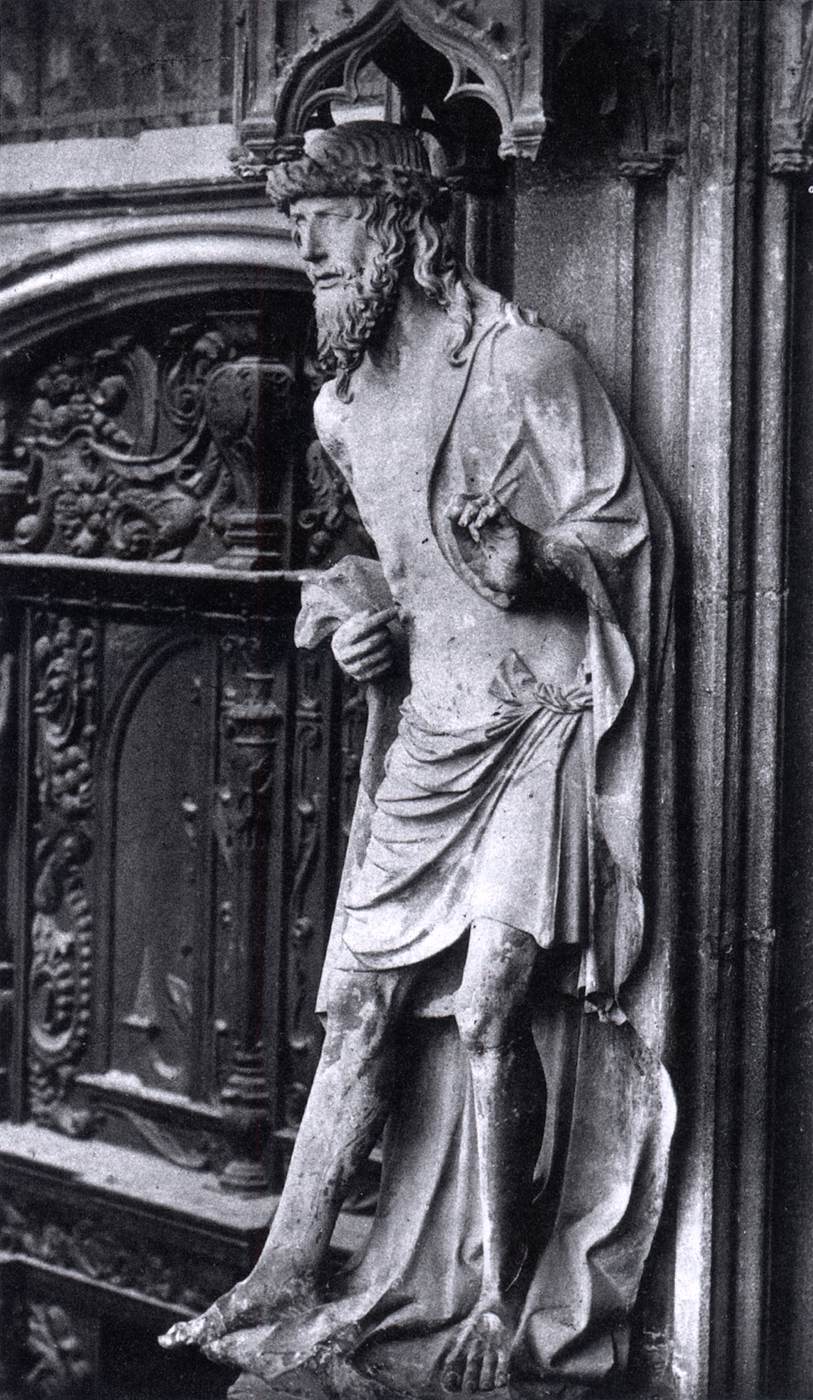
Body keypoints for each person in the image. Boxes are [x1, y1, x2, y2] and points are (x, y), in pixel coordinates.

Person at [161, 121, 675, 1398]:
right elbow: (395, 568)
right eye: (300, 238)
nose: (309, 257)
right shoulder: (340, 409)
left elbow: (633, 537)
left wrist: (540, 561)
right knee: (358, 1006)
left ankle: (502, 1296)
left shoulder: (525, 365)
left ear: (403, 228)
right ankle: (285, 1263)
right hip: (433, 733)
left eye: (329, 233)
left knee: (496, 1006)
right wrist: (362, 623)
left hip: (539, 722)